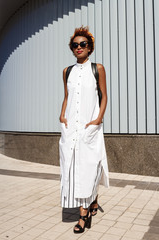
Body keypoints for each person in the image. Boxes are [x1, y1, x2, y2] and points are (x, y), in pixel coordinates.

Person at [59, 26, 109, 234]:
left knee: (89, 167)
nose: (78, 47)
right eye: (75, 45)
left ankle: (83, 216)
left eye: (83, 44)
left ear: (90, 48)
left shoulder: (98, 68)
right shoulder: (67, 71)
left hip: (90, 127)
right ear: (72, 49)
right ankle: (90, 204)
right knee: (74, 168)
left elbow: (104, 96)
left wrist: (98, 119)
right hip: (71, 128)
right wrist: (62, 116)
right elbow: (67, 97)